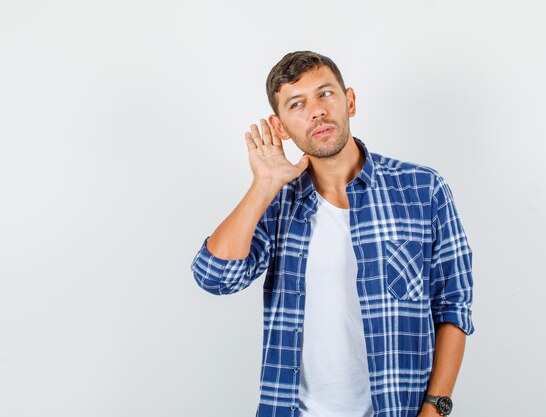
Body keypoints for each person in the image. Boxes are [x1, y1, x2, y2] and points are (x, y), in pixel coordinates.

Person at [190, 51, 474, 417]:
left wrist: (435, 409)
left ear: (349, 101)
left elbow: (453, 304)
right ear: (280, 128)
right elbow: (215, 278)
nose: (316, 111)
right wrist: (263, 185)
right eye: (297, 103)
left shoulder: (423, 189)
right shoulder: (276, 203)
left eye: (325, 94)